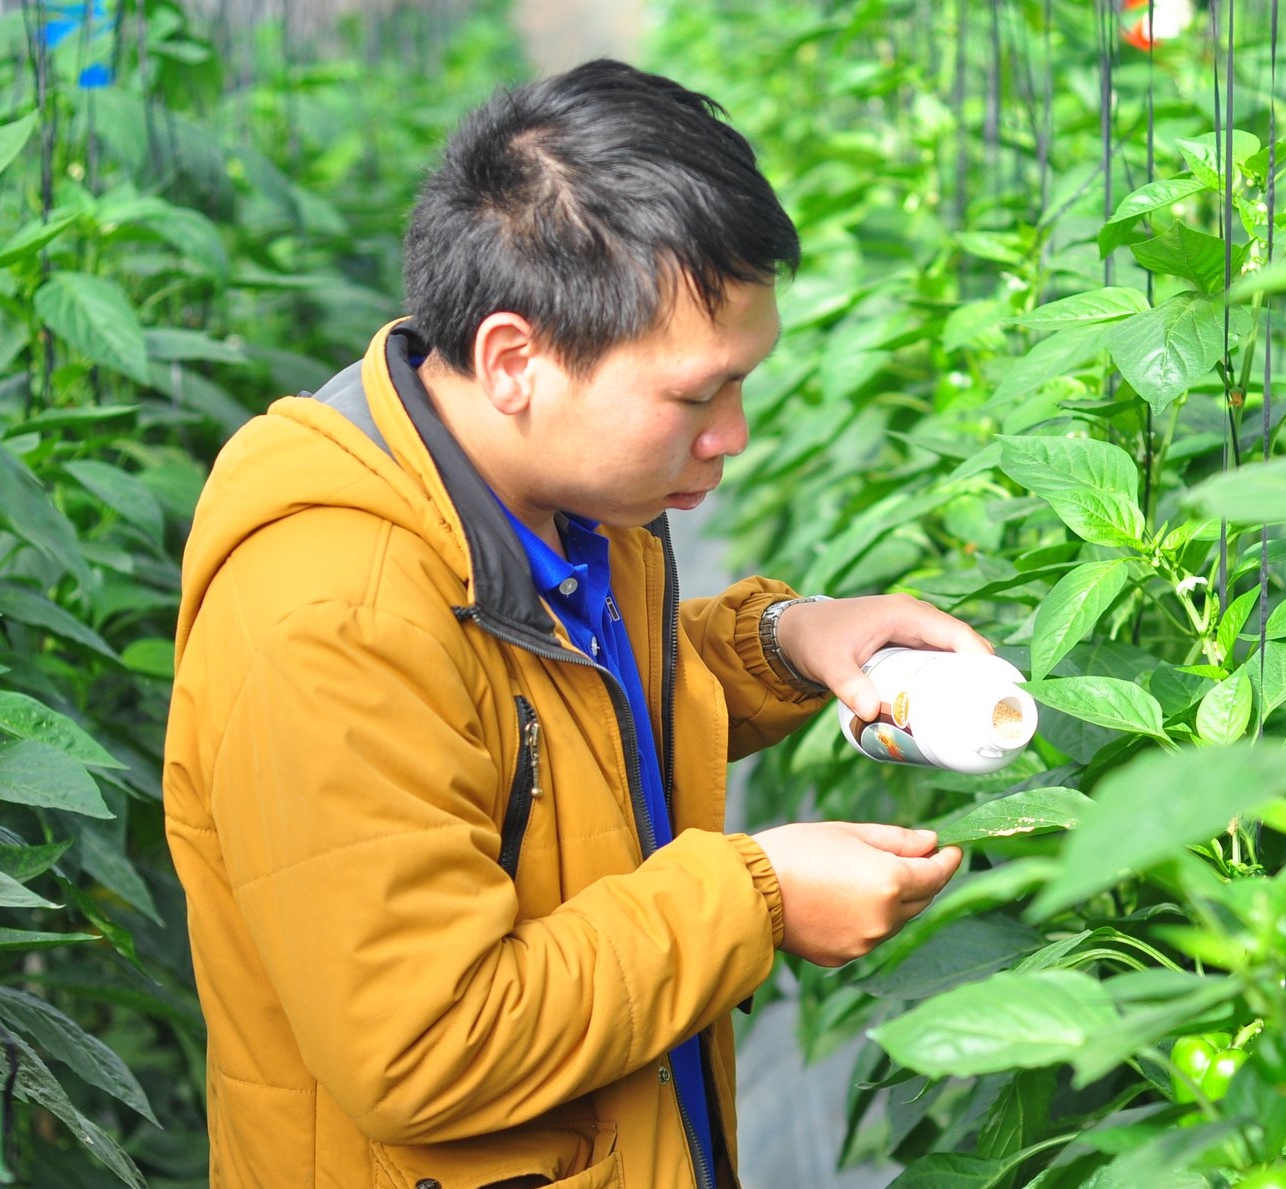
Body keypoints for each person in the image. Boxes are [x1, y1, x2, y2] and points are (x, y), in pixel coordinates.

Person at [163, 58, 983, 1189]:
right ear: (515, 360)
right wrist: (759, 895)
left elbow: (550, 716)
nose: (732, 434)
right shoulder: (330, 616)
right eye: (697, 395)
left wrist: (785, 641)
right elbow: (425, 1044)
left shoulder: (563, 499)